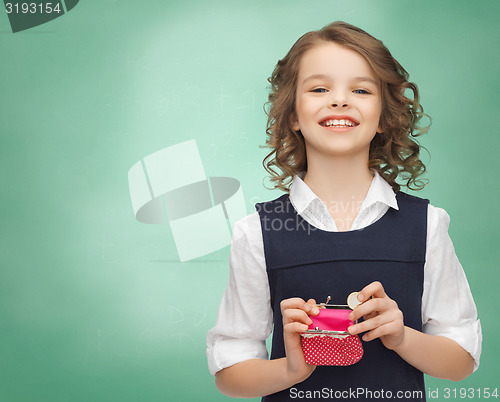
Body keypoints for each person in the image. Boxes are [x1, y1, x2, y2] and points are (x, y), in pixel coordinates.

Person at [206, 21, 481, 401]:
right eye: (319, 88)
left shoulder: (426, 225)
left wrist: (401, 337)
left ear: (385, 116)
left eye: (361, 90)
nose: (339, 100)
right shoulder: (257, 233)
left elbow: (461, 361)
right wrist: (290, 368)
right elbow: (229, 375)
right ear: (292, 115)